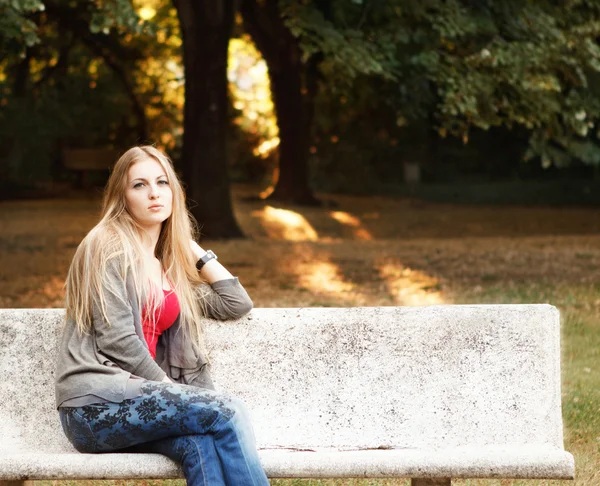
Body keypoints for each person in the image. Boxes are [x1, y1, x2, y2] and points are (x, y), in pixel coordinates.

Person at [55, 145, 269, 486]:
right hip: (94, 407)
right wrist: (171, 389)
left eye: (162, 182)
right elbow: (117, 338)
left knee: (199, 443)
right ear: (121, 196)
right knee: (228, 410)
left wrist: (189, 245)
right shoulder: (106, 246)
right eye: (139, 185)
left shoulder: (165, 270)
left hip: (138, 403)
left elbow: (235, 302)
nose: (154, 193)